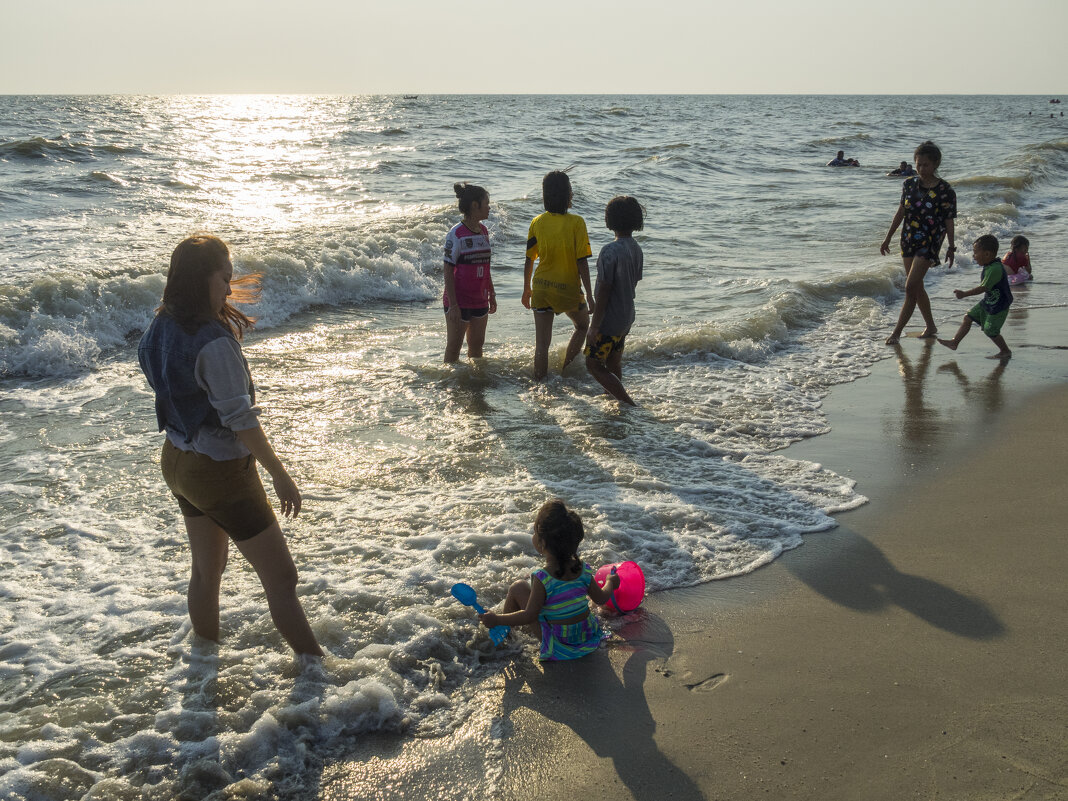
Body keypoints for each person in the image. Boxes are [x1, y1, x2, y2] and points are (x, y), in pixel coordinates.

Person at [138, 235, 323, 658]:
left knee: (207, 572)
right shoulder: (214, 343)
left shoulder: (160, 322)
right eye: (224, 277)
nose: (228, 287)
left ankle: (204, 664)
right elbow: (240, 420)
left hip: (178, 460)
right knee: (282, 580)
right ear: (202, 279)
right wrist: (280, 474)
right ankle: (317, 670)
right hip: (219, 472)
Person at [478, 499, 620, 661]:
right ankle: (508, 632)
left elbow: (529, 616)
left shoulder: (542, 578)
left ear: (542, 542)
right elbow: (601, 598)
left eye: (535, 532)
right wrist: (610, 582)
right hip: (586, 636)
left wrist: (496, 619)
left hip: (559, 645)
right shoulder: (583, 569)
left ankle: (505, 638)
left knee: (518, 587)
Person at [880, 140, 957, 344]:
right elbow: (901, 212)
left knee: (910, 286)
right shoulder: (908, 184)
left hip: (930, 241)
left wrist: (951, 246)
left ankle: (896, 332)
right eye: (918, 164)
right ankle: (931, 326)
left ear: (936, 164)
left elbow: (949, 219)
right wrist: (887, 237)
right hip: (908, 239)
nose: (921, 168)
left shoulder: (945, 190)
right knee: (917, 286)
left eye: (926, 165)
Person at [522, 171, 594, 380]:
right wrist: (589, 294)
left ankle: (539, 383)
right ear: (568, 195)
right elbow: (582, 261)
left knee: (542, 344)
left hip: (542, 288)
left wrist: (526, 288)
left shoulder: (537, 222)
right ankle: (566, 369)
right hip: (567, 290)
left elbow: (529, 259)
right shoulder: (577, 223)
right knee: (582, 326)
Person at [585, 196, 645, 407]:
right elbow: (634, 282)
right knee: (613, 361)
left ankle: (626, 402)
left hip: (609, 320)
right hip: (627, 316)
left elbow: (603, 290)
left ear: (610, 220)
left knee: (593, 364)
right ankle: (611, 399)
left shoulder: (609, 251)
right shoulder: (636, 248)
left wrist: (594, 326)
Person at [443, 182, 496, 363]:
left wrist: (492, 292)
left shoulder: (483, 231)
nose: (489, 207)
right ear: (475, 205)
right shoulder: (456, 234)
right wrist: (453, 305)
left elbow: (485, 264)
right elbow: (448, 270)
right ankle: (450, 387)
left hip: (480, 299)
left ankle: (474, 387)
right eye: (486, 203)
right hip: (460, 301)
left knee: (477, 346)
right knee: (453, 348)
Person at [937, 234, 1012, 359]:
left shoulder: (995, 269)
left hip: (1000, 304)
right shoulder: (989, 266)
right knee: (968, 317)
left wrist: (964, 294)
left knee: (990, 330)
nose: (974, 256)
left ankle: (1005, 351)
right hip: (989, 301)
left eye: (976, 252)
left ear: (987, 254)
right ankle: (954, 342)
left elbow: (982, 288)